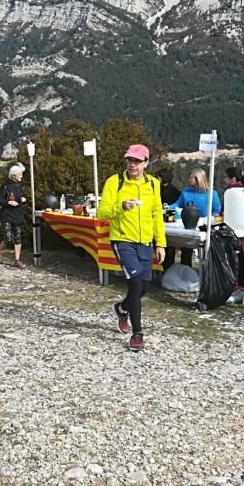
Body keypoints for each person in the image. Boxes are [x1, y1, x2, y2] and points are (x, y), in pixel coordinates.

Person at [97, 144, 166, 352]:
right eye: (129, 160)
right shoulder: (115, 182)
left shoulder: (153, 184)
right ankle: (138, 334)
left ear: (146, 163)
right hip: (122, 240)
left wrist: (160, 243)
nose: (132, 165)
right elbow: (101, 213)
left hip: (145, 243)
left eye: (137, 161)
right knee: (135, 284)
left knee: (144, 287)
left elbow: (157, 215)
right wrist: (121, 207)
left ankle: (122, 308)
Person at [171, 169, 222, 268]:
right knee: (186, 251)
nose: (189, 179)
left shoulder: (211, 193)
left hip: (204, 226)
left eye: (191, 178)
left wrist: (210, 220)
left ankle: (206, 273)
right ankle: (186, 271)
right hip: (188, 225)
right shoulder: (186, 191)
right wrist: (168, 207)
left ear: (198, 179)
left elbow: (217, 210)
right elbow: (178, 204)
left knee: (205, 252)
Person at [0, 163, 28, 268]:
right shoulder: (5, 186)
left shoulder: (19, 187)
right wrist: (8, 202)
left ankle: (17, 260)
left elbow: (21, 199)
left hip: (17, 215)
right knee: (8, 237)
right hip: (7, 215)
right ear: (14, 175)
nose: (21, 176)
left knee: (18, 237)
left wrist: (23, 200)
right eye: (20, 174)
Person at [222, 166, 244, 288]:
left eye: (226, 177)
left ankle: (237, 281)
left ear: (233, 179)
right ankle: (240, 281)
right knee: (239, 258)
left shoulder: (233, 193)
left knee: (235, 257)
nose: (224, 180)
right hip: (243, 229)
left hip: (235, 229)